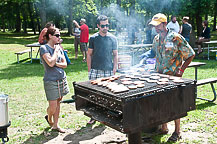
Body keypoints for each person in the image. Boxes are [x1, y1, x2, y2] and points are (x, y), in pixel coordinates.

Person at [146, 13, 195, 142]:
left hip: (172, 77)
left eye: (157, 25)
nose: (155, 28)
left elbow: (190, 54)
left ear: (164, 24)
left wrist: (181, 70)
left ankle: (177, 131)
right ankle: (164, 127)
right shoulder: (156, 39)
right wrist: (146, 57)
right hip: (159, 76)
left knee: (174, 104)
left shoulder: (175, 37)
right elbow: (154, 53)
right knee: (161, 101)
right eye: (154, 26)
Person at [86, 15, 118, 124]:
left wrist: (114, 68)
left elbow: (115, 55)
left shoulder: (113, 38)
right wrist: (90, 69)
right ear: (98, 26)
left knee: (107, 94)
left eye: (107, 25)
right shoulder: (93, 38)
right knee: (94, 93)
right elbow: (89, 54)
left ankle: (106, 114)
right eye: (103, 26)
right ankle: (93, 116)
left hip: (108, 69)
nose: (106, 28)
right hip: (95, 69)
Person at [40, 27, 69, 133]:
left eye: (59, 35)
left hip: (61, 79)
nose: (59, 38)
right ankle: (49, 117)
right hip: (50, 81)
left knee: (58, 103)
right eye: (57, 35)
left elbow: (65, 64)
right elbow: (50, 63)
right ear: (50, 36)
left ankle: (56, 125)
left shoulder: (59, 48)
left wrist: (56, 63)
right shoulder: (44, 48)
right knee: (53, 106)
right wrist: (56, 52)